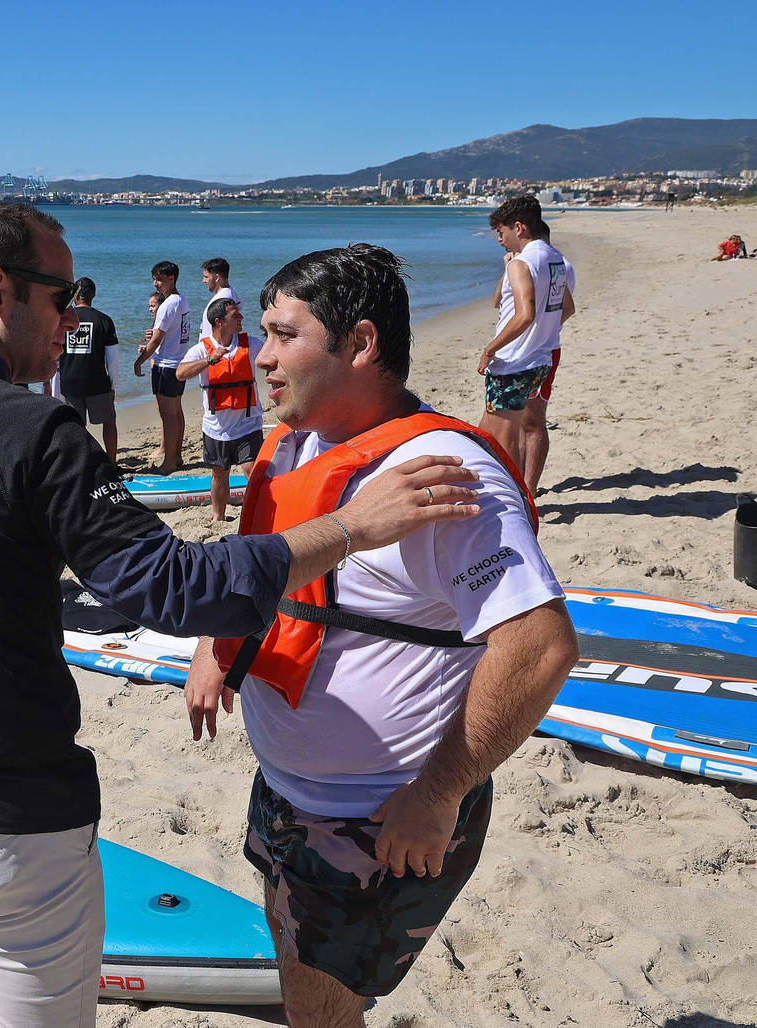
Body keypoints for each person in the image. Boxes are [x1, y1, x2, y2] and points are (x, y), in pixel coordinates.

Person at [0, 203, 483, 1027]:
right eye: (61, 298)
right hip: (2, 823)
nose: (74, 317)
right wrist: (350, 528)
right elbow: (171, 587)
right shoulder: (32, 429)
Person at [184, 244, 578, 1027]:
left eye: (284, 336)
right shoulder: (298, 442)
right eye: (262, 332)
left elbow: (540, 648)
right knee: (303, 978)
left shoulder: (442, 475)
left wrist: (436, 796)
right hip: (289, 796)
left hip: (383, 820)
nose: (261, 358)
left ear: (360, 344)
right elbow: (266, 570)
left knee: (318, 1013)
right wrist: (214, 648)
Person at [476, 196, 566, 483]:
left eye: (501, 233)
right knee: (486, 433)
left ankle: (519, 504)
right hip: (539, 361)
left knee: (506, 443)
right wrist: (543, 333)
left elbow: (525, 314)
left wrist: (491, 348)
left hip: (513, 363)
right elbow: (565, 307)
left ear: (518, 227)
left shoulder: (521, 263)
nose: (500, 240)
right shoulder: (556, 259)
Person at [175, 296, 263, 521]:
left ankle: (254, 515)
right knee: (219, 474)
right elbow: (180, 373)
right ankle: (218, 517)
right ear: (219, 322)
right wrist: (210, 360)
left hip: (248, 422)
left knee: (251, 469)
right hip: (217, 428)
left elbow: (273, 357)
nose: (241, 318)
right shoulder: (202, 349)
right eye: (235, 315)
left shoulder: (250, 343)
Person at [519, 222, 576, 491]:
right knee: (520, 419)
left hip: (542, 349)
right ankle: (521, 484)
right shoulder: (529, 264)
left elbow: (566, 307)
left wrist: (545, 331)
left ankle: (529, 488)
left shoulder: (556, 267)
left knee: (532, 419)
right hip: (534, 347)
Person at [135, 261, 191, 474]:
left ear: (172, 279)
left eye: (159, 279)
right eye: (154, 278)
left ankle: (169, 462)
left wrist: (139, 361)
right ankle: (176, 456)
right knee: (176, 412)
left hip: (167, 366)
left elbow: (157, 340)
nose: (155, 283)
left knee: (169, 415)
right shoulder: (182, 301)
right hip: (178, 363)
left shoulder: (168, 305)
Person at [59, 276, 120, 457]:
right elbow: (113, 359)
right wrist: (113, 386)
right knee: (109, 422)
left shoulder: (63, 319)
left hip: (70, 382)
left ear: (75, 297)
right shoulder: (104, 320)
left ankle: (80, 462)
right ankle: (111, 463)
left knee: (75, 426)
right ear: (93, 295)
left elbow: (53, 352)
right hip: (97, 383)